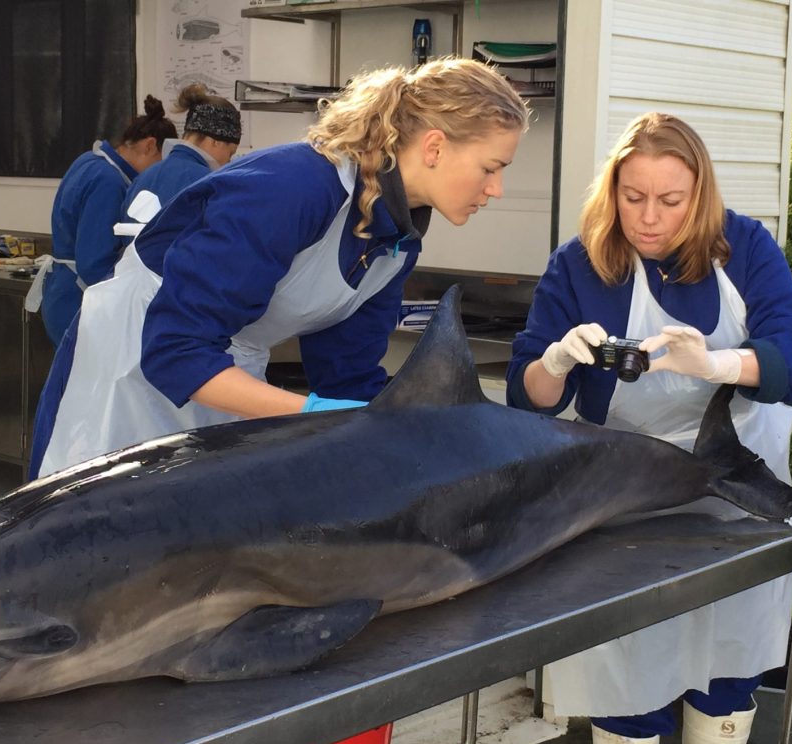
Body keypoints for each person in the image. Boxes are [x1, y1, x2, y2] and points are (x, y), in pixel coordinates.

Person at [506, 112, 792, 744]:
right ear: (612, 191)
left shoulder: (744, 247)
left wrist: (719, 364)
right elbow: (528, 397)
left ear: (699, 195)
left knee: (730, 664)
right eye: (633, 197)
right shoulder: (579, 263)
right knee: (628, 669)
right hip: (626, 499)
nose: (649, 218)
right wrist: (554, 363)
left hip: (737, 493)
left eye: (671, 201)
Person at [31, 57, 529, 480]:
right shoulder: (294, 188)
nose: (496, 190)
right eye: (491, 168)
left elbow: (347, 374)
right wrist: (308, 415)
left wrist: (392, 432)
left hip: (223, 375)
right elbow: (174, 350)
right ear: (435, 147)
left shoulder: (396, 240)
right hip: (128, 367)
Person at [30, 95, 177, 345]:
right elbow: (94, 262)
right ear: (150, 146)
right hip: (80, 299)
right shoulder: (109, 182)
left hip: (62, 292)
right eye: (160, 163)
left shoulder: (89, 160)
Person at [118, 83, 241, 236]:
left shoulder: (141, 179)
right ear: (216, 142)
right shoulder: (208, 184)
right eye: (230, 153)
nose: (228, 162)